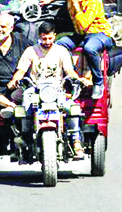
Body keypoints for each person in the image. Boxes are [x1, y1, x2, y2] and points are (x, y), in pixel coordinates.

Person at [8, 21, 90, 156]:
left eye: (50, 38)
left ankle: (76, 140)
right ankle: (25, 137)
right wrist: (14, 80)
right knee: (25, 109)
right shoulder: (31, 51)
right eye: (44, 38)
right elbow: (21, 71)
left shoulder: (61, 51)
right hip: (35, 89)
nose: (47, 41)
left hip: (57, 90)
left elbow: (69, 70)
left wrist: (78, 79)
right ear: (39, 37)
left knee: (73, 108)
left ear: (55, 36)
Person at [40, 0, 113, 100]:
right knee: (58, 44)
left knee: (89, 48)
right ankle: (72, 78)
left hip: (99, 33)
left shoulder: (91, 0)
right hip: (81, 34)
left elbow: (84, 24)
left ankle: (98, 83)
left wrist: (75, 4)